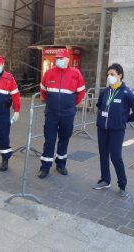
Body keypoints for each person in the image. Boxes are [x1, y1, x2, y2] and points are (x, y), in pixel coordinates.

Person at [93, 63, 134, 197]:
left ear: (120, 76)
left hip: (117, 130)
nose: (109, 77)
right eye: (108, 74)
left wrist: (126, 119)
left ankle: (122, 184)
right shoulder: (105, 92)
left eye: (112, 74)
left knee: (115, 157)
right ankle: (105, 180)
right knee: (103, 154)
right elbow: (100, 105)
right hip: (102, 129)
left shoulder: (126, 93)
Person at [38, 49, 85, 179]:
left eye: (60, 58)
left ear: (67, 60)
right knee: (49, 140)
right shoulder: (49, 73)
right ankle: (45, 167)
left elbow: (81, 92)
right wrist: (46, 100)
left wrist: (71, 104)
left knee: (64, 138)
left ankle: (61, 164)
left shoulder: (75, 73)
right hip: (51, 113)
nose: (57, 60)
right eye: (57, 58)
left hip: (67, 114)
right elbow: (43, 89)